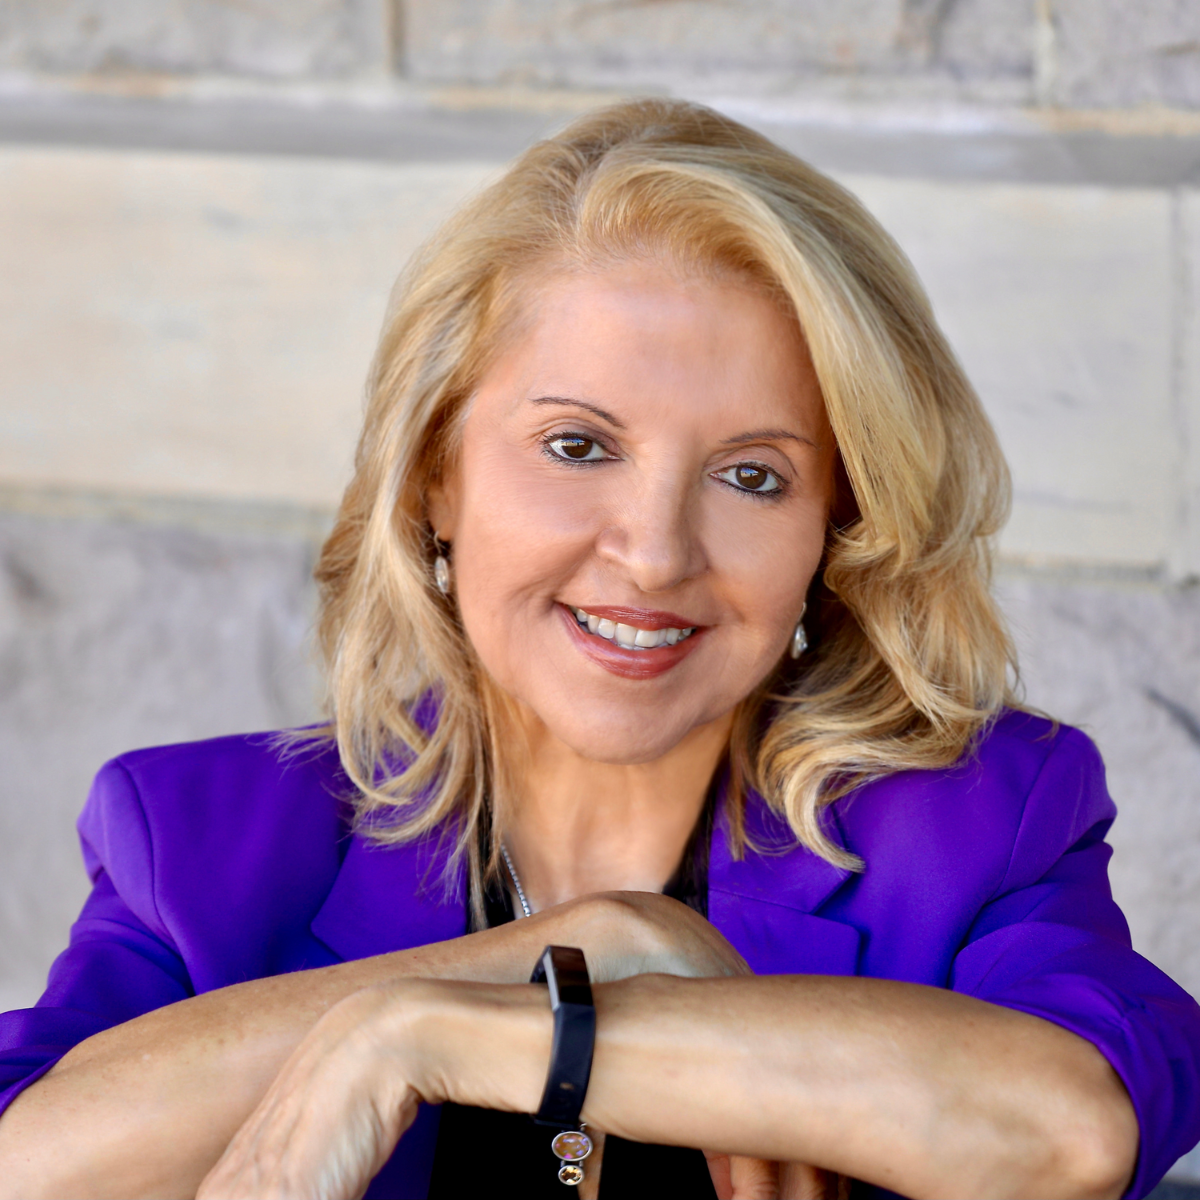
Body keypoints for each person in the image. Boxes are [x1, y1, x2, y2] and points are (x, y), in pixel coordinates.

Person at [0, 98, 1197, 1200]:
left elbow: (1073, 1136)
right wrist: (585, 946)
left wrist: (419, 1031)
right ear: (434, 475)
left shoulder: (977, 824)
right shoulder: (202, 843)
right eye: (578, 446)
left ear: (835, 528)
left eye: (752, 476)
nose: (656, 554)